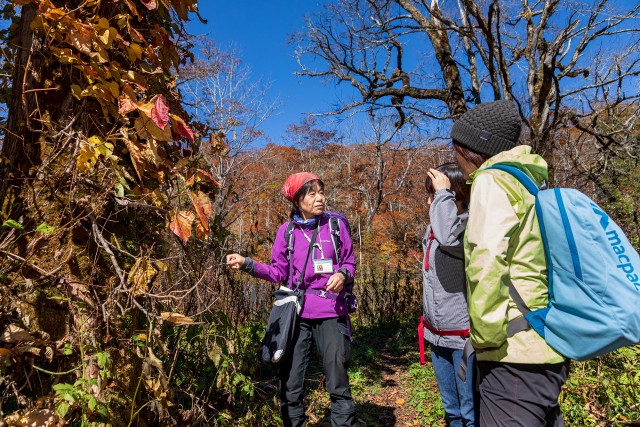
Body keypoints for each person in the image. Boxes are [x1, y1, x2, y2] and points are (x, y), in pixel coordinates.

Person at [451, 100, 569, 426]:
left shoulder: (492, 181)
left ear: (471, 149)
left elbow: (486, 260)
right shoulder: (530, 184)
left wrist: (486, 337)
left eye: (457, 150)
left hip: (513, 355)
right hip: (546, 340)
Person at [226, 172, 357, 427]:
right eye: (312, 193)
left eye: (321, 192)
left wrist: (342, 273)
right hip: (297, 315)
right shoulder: (287, 232)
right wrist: (246, 263)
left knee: (338, 382)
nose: (320, 198)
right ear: (297, 200)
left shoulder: (335, 225)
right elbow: (278, 273)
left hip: (331, 311)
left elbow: (349, 261)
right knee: (291, 386)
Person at [420, 163, 477, 427]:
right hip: (436, 334)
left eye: (435, 194)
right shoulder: (433, 229)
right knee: (451, 409)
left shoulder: (470, 227)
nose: (429, 201)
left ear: (457, 195)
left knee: (470, 410)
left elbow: (449, 238)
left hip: (463, 338)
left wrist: (444, 194)